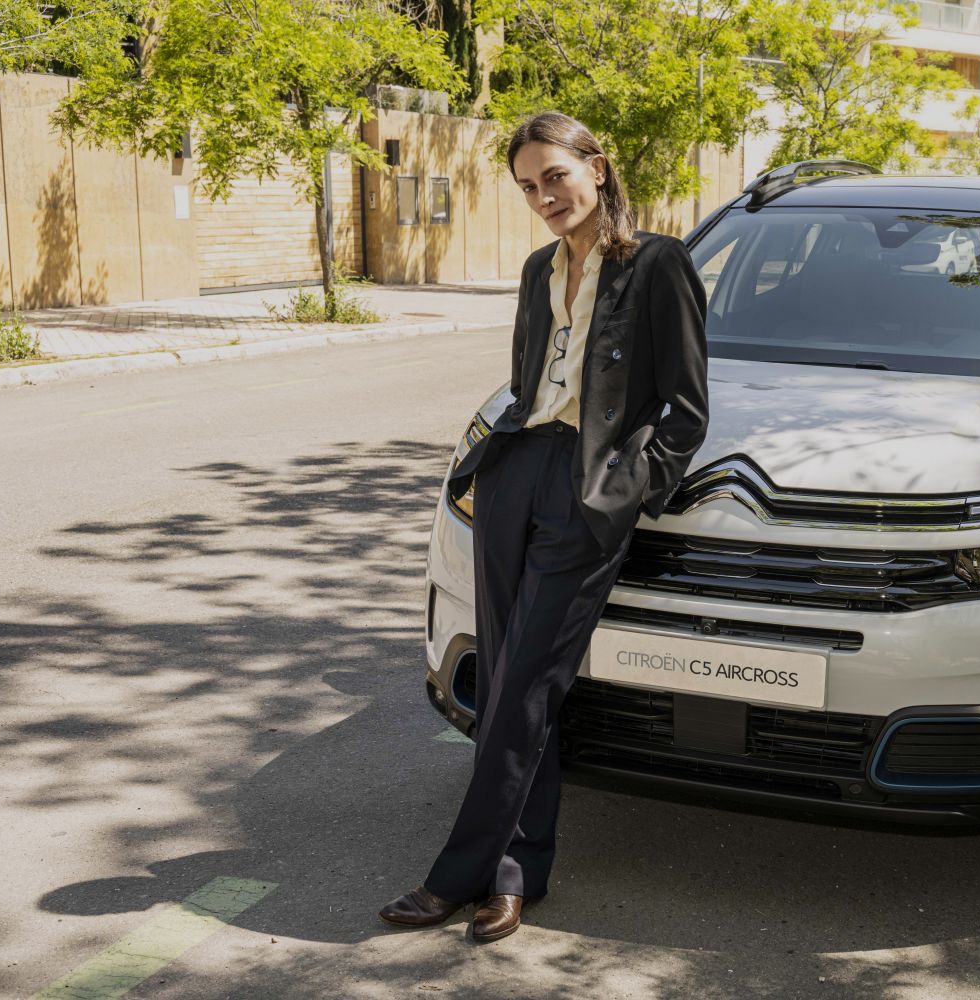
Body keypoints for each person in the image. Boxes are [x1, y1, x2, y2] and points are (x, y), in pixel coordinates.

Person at [377, 111, 710, 942]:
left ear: (597, 166)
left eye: (555, 176)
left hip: (586, 492)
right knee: (505, 687)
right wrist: (494, 466)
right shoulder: (536, 270)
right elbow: (530, 382)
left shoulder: (658, 263)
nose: (543, 196)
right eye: (528, 186)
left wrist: (630, 489)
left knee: (527, 683)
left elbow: (688, 409)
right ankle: (519, 871)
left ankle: (455, 877)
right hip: (516, 477)